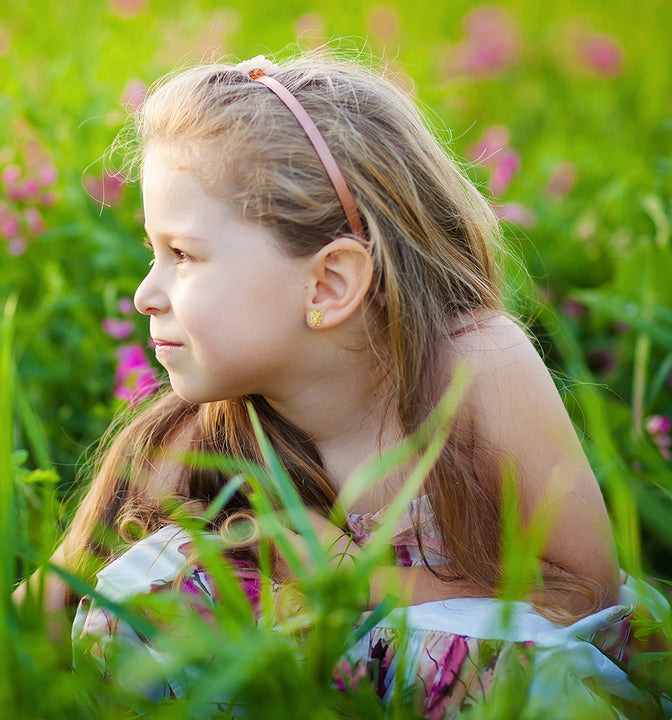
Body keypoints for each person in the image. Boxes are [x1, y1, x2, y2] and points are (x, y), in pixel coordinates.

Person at [46, 53, 665, 716]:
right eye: (152, 252)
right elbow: (41, 614)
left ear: (329, 284)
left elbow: (585, 597)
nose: (145, 294)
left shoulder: (475, 368)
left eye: (183, 256)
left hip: (507, 686)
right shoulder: (199, 437)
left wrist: (353, 574)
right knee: (157, 579)